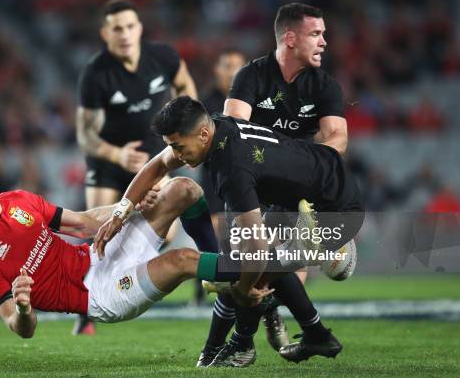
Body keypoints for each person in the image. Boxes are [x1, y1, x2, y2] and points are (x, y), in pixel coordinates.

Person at [95, 96, 364, 365]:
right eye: (171, 146)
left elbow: (256, 250)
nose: (176, 155)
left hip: (336, 210)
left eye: (178, 146)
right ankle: (313, 334)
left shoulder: (232, 168)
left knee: (249, 275)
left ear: (202, 134)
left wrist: (243, 290)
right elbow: (158, 165)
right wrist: (121, 212)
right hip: (301, 196)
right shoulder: (216, 126)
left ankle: (241, 347)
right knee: (245, 267)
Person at [0, 160, 267, 339]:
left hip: (98, 254)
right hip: (100, 294)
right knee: (181, 260)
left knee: (182, 188)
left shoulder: (15, 200)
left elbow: (82, 223)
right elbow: (22, 329)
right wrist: (21, 307)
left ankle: (226, 277)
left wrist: (131, 206)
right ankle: (269, 263)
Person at [207, 2, 351, 366]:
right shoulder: (251, 76)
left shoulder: (325, 85)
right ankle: (242, 340)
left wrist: (299, 171)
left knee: (267, 273)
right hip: (251, 185)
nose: (324, 42)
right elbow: (235, 130)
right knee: (252, 268)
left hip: (296, 189)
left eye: (324, 34)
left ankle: (242, 340)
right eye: (316, 34)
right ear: (290, 38)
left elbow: (337, 139)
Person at [75, 0, 198, 335]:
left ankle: (128, 279)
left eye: (130, 26)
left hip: (151, 160)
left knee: (169, 229)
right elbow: (85, 136)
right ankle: (85, 305)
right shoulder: (95, 75)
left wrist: (187, 122)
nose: (125, 34)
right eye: (117, 28)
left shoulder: (164, 58)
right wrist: (116, 155)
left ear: (139, 28)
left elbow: (186, 87)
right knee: (93, 231)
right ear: (105, 33)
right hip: (108, 161)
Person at [191, 48, 246, 306]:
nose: (233, 71)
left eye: (238, 65)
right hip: (213, 175)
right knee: (214, 230)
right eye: (228, 65)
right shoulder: (206, 101)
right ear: (217, 71)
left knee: (237, 233)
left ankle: (233, 283)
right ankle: (204, 285)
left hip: (243, 175)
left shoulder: (251, 98)